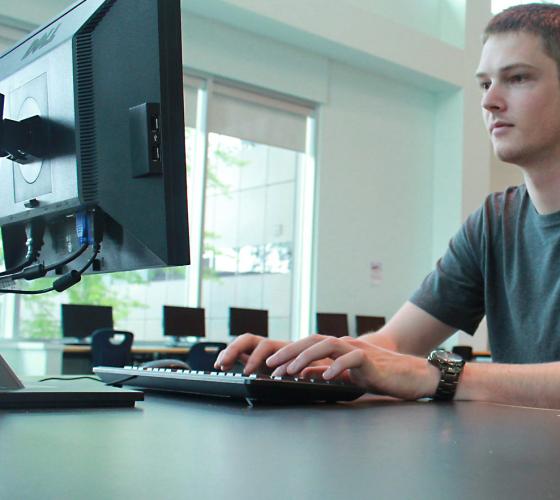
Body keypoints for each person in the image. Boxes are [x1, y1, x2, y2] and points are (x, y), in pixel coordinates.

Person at [216, 3, 560, 409]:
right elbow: (395, 342)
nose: (490, 102)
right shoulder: (492, 222)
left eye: (517, 78)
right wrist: (325, 356)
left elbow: (413, 364)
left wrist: (434, 375)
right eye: (485, 84)